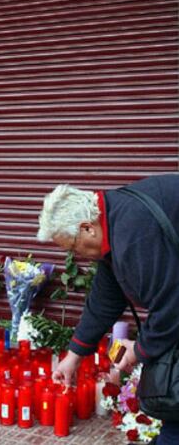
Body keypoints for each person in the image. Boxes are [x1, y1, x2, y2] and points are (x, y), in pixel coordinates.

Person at [37, 174, 179, 445]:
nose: (76, 255)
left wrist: (139, 351)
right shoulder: (115, 220)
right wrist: (74, 355)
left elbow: (171, 302)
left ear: (87, 228)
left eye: (73, 247)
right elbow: (106, 297)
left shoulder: (134, 232)